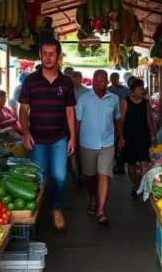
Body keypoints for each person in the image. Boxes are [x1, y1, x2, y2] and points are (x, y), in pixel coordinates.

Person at [19, 40, 77, 231]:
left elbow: (70, 112)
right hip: (37, 138)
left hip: (59, 137)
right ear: (40, 55)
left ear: (59, 56)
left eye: (52, 53)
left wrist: (73, 138)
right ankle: (35, 215)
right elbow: (23, 109)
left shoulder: (66, 82)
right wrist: (25, 133)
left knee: (60, 176)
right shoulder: (30, 80)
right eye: (44, 53)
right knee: (39, 178)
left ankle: (56, 208)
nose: (48, 57)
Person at [75, 70, 122, 225]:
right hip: (87, 143)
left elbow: (117, 119)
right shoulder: (83, 99)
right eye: (95, 80)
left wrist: (120, 137)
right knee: (89, 175)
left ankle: (101, 210)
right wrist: (73, 141)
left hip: (107, 144)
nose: (97, 83)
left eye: (101, 81)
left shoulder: (113, 99)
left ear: (107, 82)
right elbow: (78, 122)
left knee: (104, 174)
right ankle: (93, 197)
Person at [119, 78, 155, 200]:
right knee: (131, 164)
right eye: (140, 88)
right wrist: (121, 137)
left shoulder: (146, 102)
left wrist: (153, 133)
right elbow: (121, 120)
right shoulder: (125, 102)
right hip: (129, 137)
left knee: (144, 162)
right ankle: (135, 185)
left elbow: (148, 119)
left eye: (142, 88)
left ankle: (143, 187)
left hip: (143, 136)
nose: (142, 90)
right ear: (133, 90)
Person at [108, 73, 131, 174]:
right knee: (112, 142)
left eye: (115, 79)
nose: (114, 80)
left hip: (123, 121)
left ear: (118, 79)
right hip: (110, 120)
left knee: (120, 141)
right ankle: (117, 162)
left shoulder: (126, 91)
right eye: (112, 79)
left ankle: (120, 163)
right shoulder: (107, 90)